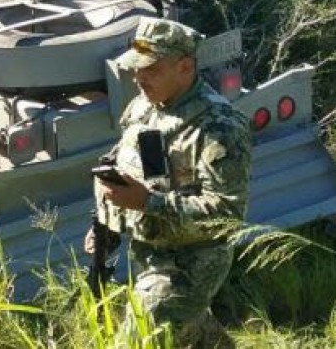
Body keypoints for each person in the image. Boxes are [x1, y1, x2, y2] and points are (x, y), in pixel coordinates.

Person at [85, 18, 252, 348]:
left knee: (140, 338)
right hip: (148, 250)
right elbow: (124, 161)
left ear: (185, 67)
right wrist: (108, 225)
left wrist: (148, 202)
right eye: (136, 68)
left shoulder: (219, 127)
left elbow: (227, 214)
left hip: (194, 259)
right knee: (187, 330)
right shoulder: (143, 107)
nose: (139, 78)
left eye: (152, 69)